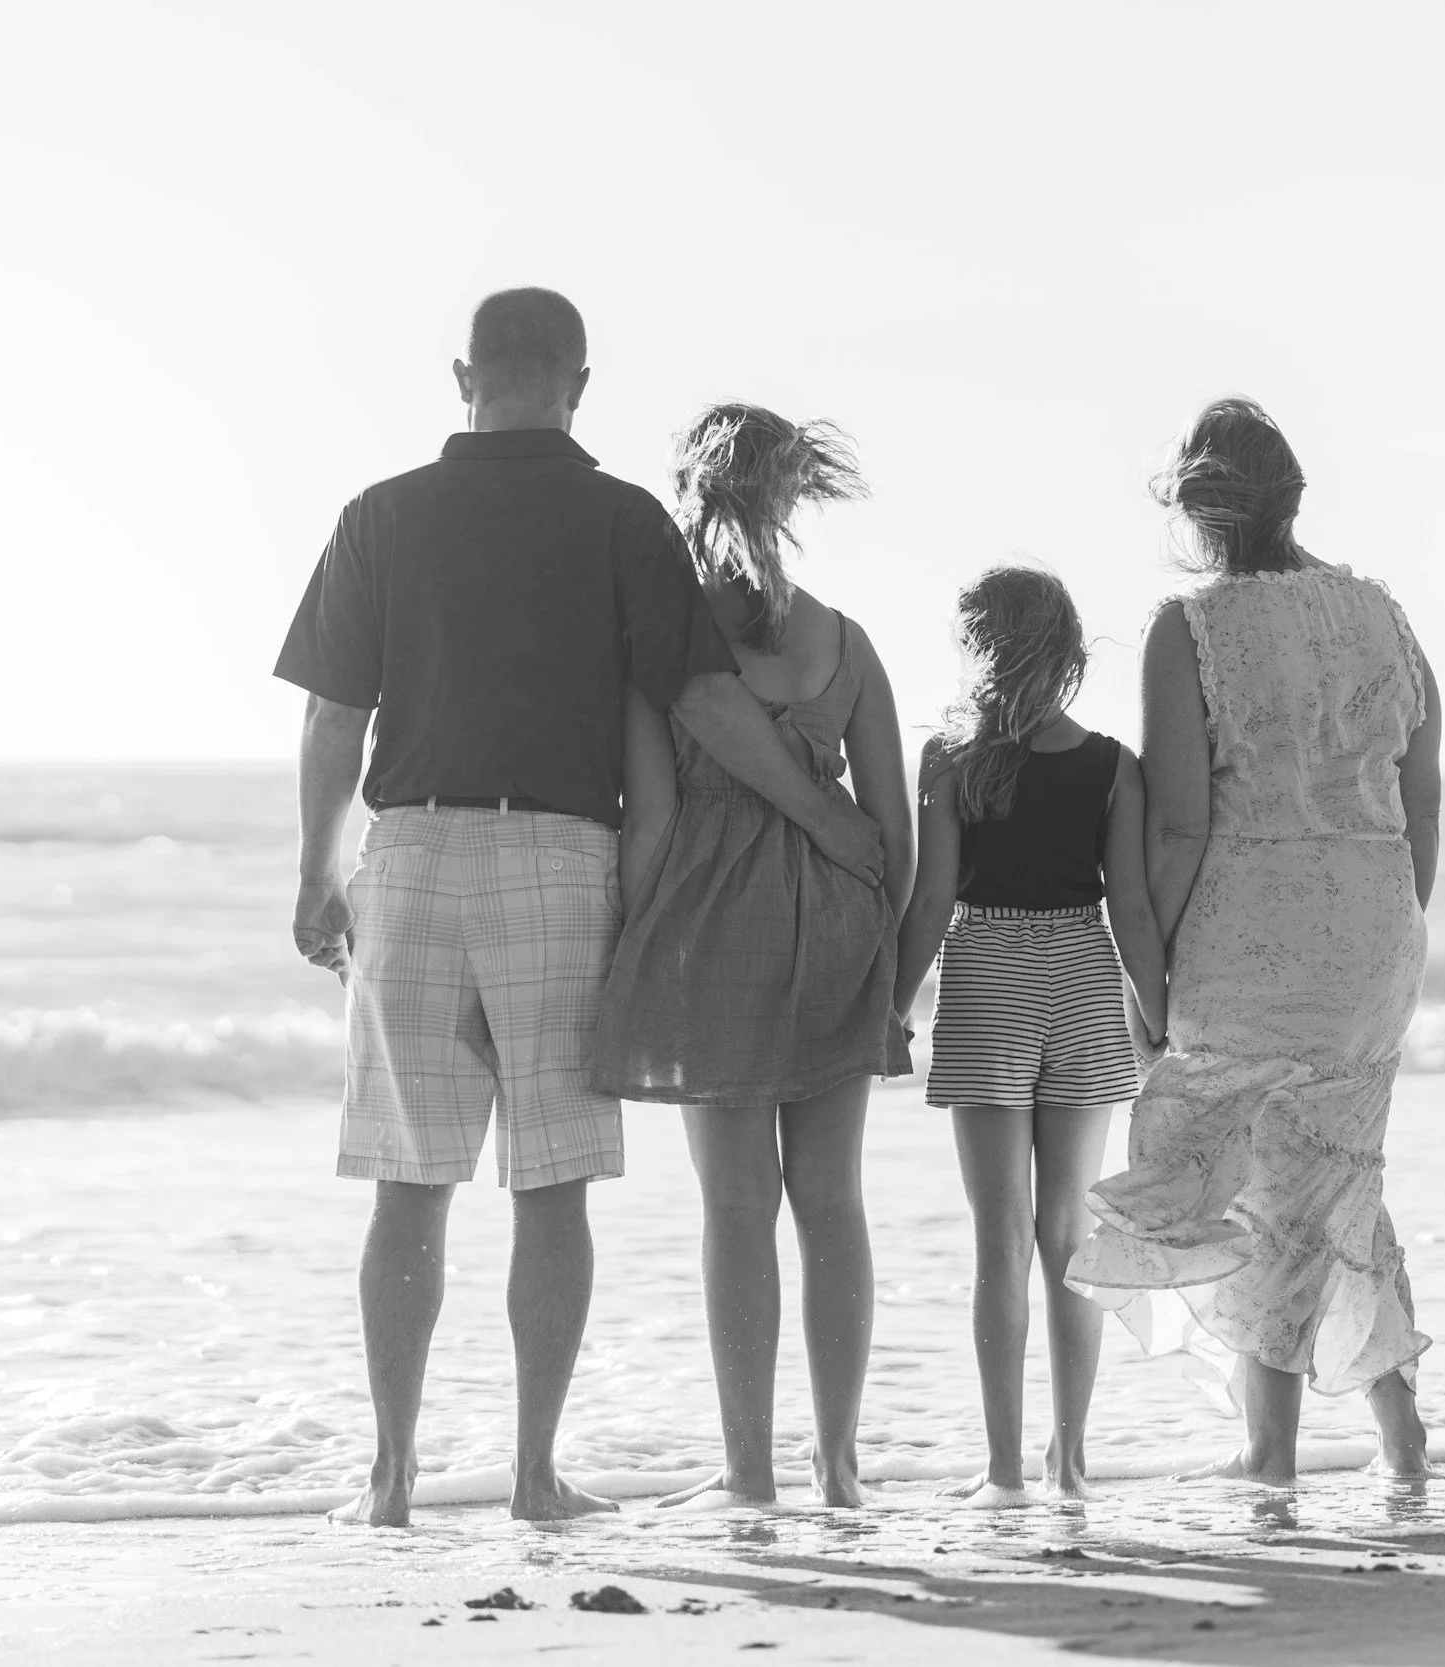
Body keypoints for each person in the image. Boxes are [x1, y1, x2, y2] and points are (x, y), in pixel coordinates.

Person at [277, 293, 886, 1529]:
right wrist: (822, 817)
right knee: (549, 1184)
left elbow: (334, 713)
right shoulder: (622, 518)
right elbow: (704, 702)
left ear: (465, 376)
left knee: (408, 1182)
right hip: (560, 854)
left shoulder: (379, 513)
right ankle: (533, 1475)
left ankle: (389, 1479)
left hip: (410, 848)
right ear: (580, 384)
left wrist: (315, 868)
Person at [1067, 396, 1443, 1486]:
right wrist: (1395, 923)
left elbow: (1180, 825)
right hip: (1375, 922)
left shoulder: (1192, 628)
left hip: (1250, 930)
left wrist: (1148, 973)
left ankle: (1269, 1448)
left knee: (1261, 1186)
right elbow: (1420, 794)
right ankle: (1398, 1429)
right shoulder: (1383, 615)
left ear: (1196, 513)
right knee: (1334, 1174)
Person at [593, 404, 914, 1511]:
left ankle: (750, 1472)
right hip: (836, 924)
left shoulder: (669, 644)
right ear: (790, 499)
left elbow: (651, 818)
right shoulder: (845, 640)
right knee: (832, 1199)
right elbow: (892, 831)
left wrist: (630, 952)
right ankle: (841, 1466)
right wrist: (888, 968)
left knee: (737, 1208)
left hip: (711, 927)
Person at [893, 565, 1166, 1509]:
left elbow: (932, 900)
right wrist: (1158, 1014)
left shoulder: (949, 761)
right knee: (1069, 1237)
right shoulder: (1114, 765)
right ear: (1071, 652)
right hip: (1083, 977)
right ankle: (1072, 1463)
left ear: (981, 651)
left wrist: (892, 1007)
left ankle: (1005, 1470)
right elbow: (1131, 908)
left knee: (1000, 1240)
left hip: (987, 979)